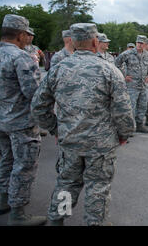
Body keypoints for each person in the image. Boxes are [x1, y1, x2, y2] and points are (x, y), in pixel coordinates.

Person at [31, 23, 135, 226]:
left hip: (69, 141)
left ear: (74, 42)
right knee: (98, 187)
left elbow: (38, 107)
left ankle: (57, 220)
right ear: (95, 41)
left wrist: (56, 129)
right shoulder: (110, 70)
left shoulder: (58, 69)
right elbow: (123, 111)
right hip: (100, 145)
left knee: (67, 184)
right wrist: (124, 134)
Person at [0, 14, 46, 225]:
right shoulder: (21, 57)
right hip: (21, 123)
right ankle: (18, 215)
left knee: (7, 159)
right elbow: (34, 93)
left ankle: (4, 200)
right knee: (24, 166)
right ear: (21, 35)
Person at [115, 35, 148, 133]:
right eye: (138, 43)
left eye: (142, 43)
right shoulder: (128, 53)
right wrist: (124, 76)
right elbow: (116, 64)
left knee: (142, 106)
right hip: (132, 86)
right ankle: (130, 127)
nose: (139, 45)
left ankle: (139, 125)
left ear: (145, 44)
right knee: (131, 107)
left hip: (143, 86)